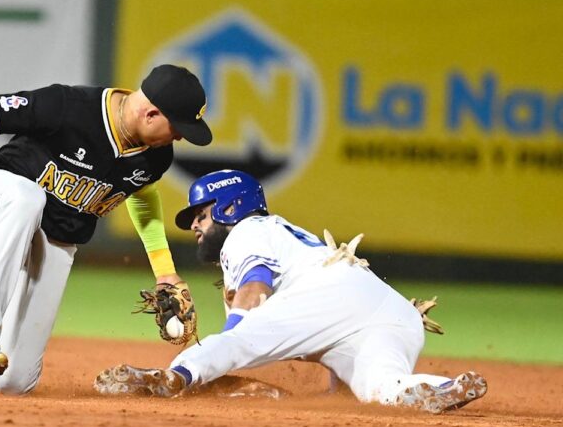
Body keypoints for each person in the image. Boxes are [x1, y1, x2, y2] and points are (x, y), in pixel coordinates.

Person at [0, 65, 212, 395]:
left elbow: (142, 194)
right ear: (151, 113)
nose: (179, 136)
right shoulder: (68, 106)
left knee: (16, 383)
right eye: (177, 127)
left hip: (52, 241)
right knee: (28, 199)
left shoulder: (157, 157)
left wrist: (165, 272)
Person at [94, 169, 488, 413]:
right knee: (381, 388)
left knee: (234, 340)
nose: (195, 226)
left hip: (331, 296)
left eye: (201, 214)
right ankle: (442, 387)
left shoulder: (245, 232)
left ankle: (169, 379)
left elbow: (256, 283)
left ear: (230, 208)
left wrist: (232, 338)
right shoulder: (279, 233)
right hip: (393, 312)